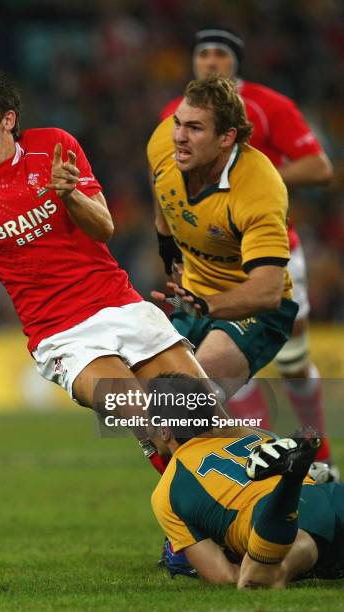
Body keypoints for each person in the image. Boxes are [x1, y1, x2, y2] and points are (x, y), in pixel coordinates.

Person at [0, 66, 217, 473]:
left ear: (7, 119)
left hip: (122, 305)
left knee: (204, 418)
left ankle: (239, 518)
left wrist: (69, 195)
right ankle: (186, 530)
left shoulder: (54, 146)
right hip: (63, 335)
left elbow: (105, 228)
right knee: (150, 421)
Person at [159, 27, 336, 475]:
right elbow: (165, 190)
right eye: (203, 54)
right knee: (210, 382)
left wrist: (256, 179)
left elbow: (320, 167)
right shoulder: (171, 118)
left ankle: (321, 452)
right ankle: (257, 460)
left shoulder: (270, 106)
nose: (211, 62)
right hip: (208, 259)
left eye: (221, 53)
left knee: (294, 362)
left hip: (272, 255)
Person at [148, 74, 298, 404]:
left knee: (187, 403)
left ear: (227, 137)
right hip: (194, 300)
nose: (180, 137)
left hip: (253, 309)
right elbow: (160, 186)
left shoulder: (259, 188)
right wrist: (167, 249)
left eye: (195, 128)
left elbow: (269, 291)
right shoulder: (164, 144)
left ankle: (277, 453)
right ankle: (277, 454)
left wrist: (209, 305)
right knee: (151, 409)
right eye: (178, 123)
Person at [148, 373, 344, 588]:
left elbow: (224, 576)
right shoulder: (255, 433)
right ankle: (294, 476)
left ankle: (290, 480)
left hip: (278, 522)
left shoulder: (167, 490)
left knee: (256, 578)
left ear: (165, 431)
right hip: (330, 497)